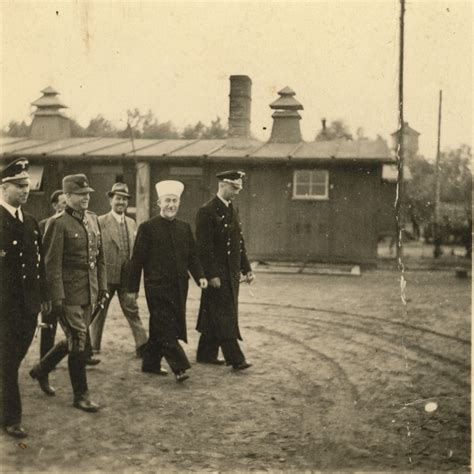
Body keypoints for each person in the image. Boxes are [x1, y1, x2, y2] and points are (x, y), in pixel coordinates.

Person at [29, 174, 108, 412]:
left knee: (76, 337)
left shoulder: (93, 220)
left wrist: (102, 286)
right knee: (79, 341)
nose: (85, 199)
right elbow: (50, 264)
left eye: (87, 195)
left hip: (90, 290)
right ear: (67, 196)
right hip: (69, 293)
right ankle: (81, 395)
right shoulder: (58, 223)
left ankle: (41, 369)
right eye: (79, 195)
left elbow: (99, 258)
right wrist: (57, 296)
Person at [128, 180, 207, 382]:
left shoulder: (184, 228)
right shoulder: (147, 228)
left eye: (174, 201)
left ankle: (151, 363)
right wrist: (132, 288)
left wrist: (200, 277)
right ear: (159, 203)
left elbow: (193, 257)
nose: (171, 205)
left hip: (179, 287)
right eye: (167, 201)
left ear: (178, 204)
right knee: (166, 327)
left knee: (160, 327)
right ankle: (179, 367)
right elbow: (137, 261)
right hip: (156, 288)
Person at [0, 158, 51, 438]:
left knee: (12, 358)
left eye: (27, 185)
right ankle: (11, 418)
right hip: (4, 306)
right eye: (19, 185)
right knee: (7, 361)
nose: (25, 190)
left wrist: (43, 297)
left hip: (28, 306)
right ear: (4, 187)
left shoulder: (31, 222)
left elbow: (38, 263)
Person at [195, 170, 255, 370]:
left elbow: (239, 242)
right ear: (222, 184)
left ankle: (206, 353)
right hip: (217, 275)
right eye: (234, 187)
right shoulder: (207, 211)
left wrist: (246, 268)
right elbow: (204, 248)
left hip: (231, 274)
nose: (237, 192)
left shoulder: (231, 209)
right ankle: (235, 358)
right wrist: (211, 274)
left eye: (239, 188)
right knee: (225, 315)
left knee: (216, 312)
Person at [89, 182, 148, 357]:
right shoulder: (100, 222)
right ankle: (92, 347)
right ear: (111, 200)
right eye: (118, 198)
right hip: (106, 277)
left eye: (124, 199)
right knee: (98, 312)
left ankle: (142, 346)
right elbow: (94, 250)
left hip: (126, 276)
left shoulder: (131, 223)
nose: (121, 202)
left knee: (132, 310)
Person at [34, 189, 67, 396]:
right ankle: (43, 372)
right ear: (55, 205)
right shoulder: (44, 225)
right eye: (61, 203)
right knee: (49, 328)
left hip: (71, 286)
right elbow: (42, 260)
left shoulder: (76, 222)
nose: (65, 205)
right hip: (51, 285)